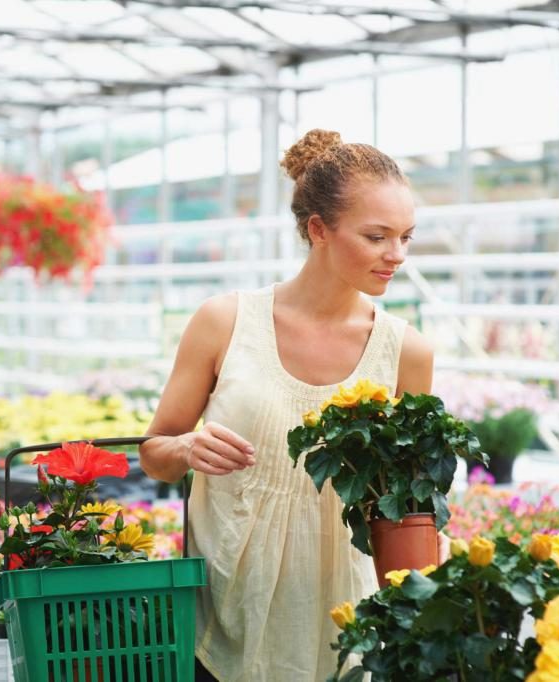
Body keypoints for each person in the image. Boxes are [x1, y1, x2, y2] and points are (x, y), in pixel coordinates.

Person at [139, 129, 435, 681]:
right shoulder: (225, 322)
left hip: (349, 630)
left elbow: (411, 501)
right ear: (318, 230)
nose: (396, 255)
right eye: (376, 237)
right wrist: (186, 446)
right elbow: (154, 453)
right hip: (222, 618)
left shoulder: (406, 352)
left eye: (406, 237)